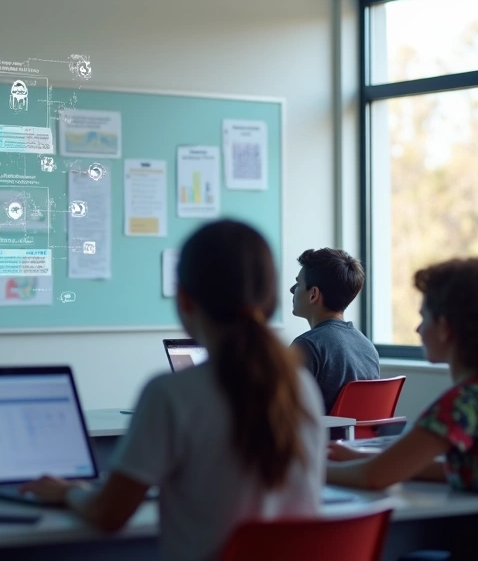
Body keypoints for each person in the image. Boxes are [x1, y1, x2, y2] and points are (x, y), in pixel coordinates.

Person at [20, 220, 325, 561]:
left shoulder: (171, 395)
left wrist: (69, 493)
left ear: (184, 300)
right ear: (268, 301)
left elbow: (109, 513)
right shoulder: (301, 390)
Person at [327, 257, 478, 558]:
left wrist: (310, 469)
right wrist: (359, 457)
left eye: (424, 318)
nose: (418, 329)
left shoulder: (464, 403)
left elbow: (375, 477)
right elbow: (459, 471)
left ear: (445, 328)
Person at [289, 248, 380, 411]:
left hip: (319, 437)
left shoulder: (306, 346)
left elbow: (283, 412)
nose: (292, 289)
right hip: (358, 437)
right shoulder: (368, 347)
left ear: (313, 294)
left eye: (298, 283)